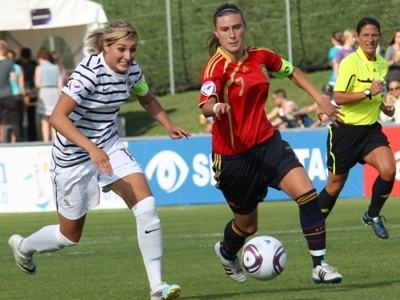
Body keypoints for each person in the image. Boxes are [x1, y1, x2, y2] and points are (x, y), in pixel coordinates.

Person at [8, 20, 188, 300]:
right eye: (121, 49)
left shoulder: (132, 71)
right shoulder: (88, 74)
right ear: (105, 46)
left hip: (109, 146)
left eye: (133, 49)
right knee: (69, 236)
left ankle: (157, 287)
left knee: (147, 205)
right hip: (72, 156)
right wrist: (90, 148)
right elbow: (57, 118)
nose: (128, 56)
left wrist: (167, 124)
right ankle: (24, 247)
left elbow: (147, 98)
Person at [198, 3, 343, 284]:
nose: (232, 34)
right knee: (247, 225)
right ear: (216, 33)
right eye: (225, 29)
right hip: (233, 157)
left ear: (244, 28)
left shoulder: (262, 56)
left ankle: (320, 265)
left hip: (267, 144)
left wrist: (320, 98)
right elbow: (206, 101)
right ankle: (227, 252)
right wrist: (215, 109)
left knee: (307, 194)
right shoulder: (215, 67)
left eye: (237, 27)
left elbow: (292, 71)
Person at [318, 17, 396, 240]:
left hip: (370, 131)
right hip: (345, 132)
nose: (370, 39)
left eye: (374, 35)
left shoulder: (381, 63)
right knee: (334, 186)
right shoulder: (350, 62)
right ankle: (313, 223)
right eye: (365, 35)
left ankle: (372, 214)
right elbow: (339, 97)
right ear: (359, 38)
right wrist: (369, 93)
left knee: (389, 170)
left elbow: (375, 91)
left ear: (379, 36)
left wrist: (383, 106)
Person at [35, 47, 63, 142]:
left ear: (40, 58)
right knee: (54, 117)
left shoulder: (39, 68)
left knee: (44, 119)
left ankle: (46, 140)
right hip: (54, 92)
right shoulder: (56, 67)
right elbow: (60, 84)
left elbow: (37, 84)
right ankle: (54, 139)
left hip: (44, 92)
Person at [15, 47, 38, 141]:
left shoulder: (33, 64)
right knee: (19, 116)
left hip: (30, 92)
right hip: (21, 92)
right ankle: (21, 137)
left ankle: (32, 137)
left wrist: (32, 91)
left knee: (31, 117)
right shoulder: (17, 64)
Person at [6, 49, 25, 142]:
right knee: (16, 121)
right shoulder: (17, 67)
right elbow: (21, 84)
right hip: (16, 95)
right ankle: (15, 140)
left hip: (5, 95)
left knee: (4, 121)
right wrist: (24, 96)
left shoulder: (3, 66)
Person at [0, 40, 17, 143]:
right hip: (7, 94)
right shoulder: (9, 62)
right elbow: (14, 78)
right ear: (4, 49)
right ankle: (10, 140)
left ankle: (0, 139)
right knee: (8, 120)